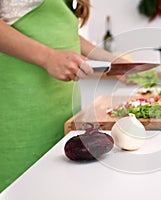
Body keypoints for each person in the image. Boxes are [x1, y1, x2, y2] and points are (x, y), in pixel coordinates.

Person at [0, 0, 121, 192]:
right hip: (20, 107)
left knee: (58, 186)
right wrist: (48, 57)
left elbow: (66, 34)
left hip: (63, 106)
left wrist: (112, 60)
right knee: (21, 188)